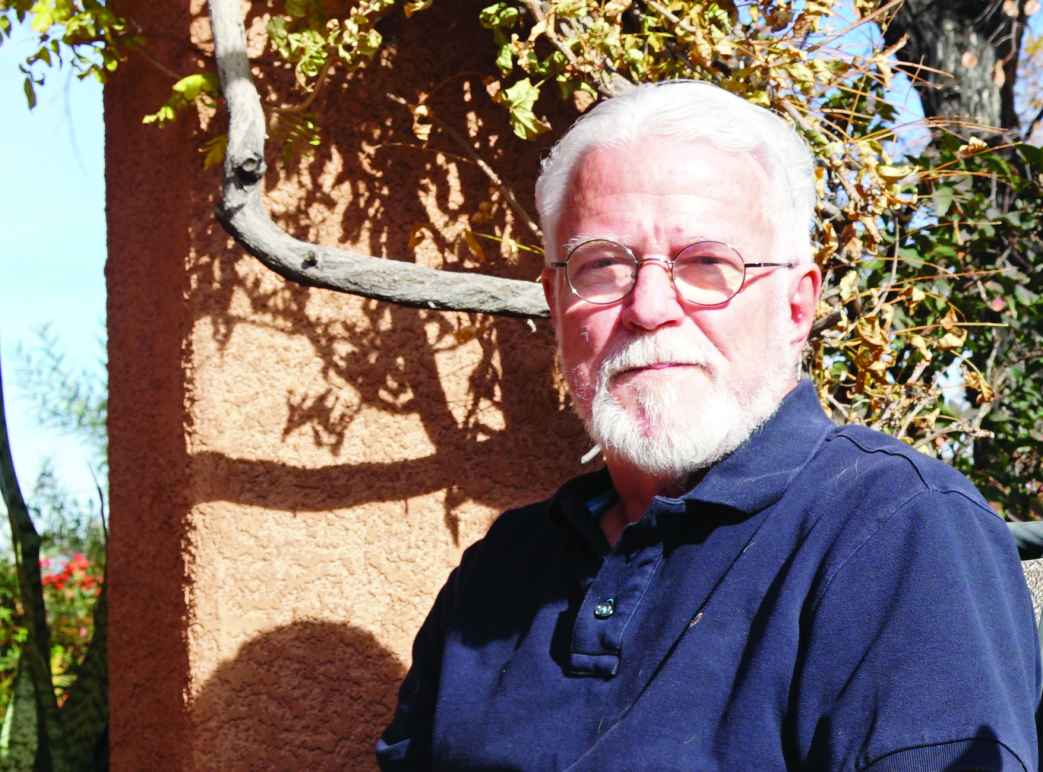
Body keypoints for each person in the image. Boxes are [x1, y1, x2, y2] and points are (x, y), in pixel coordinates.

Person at [376, 81, 1040, 770]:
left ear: (794, 307)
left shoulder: (895, 529)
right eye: (602, 265)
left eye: (705, 264)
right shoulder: (500, 571)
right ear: (555, 306)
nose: (650, 306)